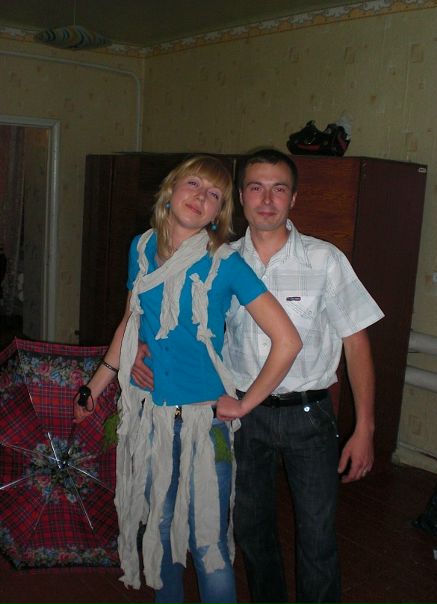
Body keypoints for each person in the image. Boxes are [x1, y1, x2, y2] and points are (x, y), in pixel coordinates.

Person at [132, 149, 384, 604]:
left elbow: (357, 343)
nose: (267, 200)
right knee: (251, 531)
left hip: (308, 416)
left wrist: (364, 426)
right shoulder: (218, 258)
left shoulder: (324, 260)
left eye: (278, 189)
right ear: (241, 197)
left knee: (317, 536)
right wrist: (141, 350)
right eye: (256, 187)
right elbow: (180, 325)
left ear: (294, 198)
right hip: (241, 416)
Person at [73, 154, 302, 604]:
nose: (200, 197)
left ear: (219, 213)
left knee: (208, 546)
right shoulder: (141, 247)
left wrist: (243, 403)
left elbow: (288, 340)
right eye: (194, 184)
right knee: (159, 532)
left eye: (214, 194)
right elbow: (131, 321)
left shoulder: (225, 264)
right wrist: (95, 387)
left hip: (203, 425)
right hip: (151, 420)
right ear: (171, 190)